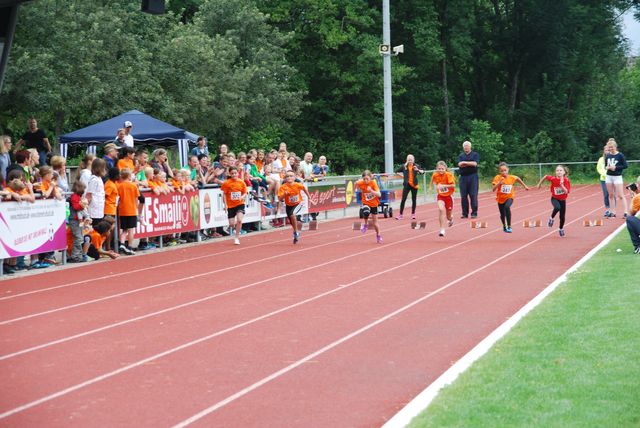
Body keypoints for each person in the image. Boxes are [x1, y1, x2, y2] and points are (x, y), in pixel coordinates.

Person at [491, 162, 529, 233]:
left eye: (505, 170)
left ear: (508, 170)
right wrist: (499, 183)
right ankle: (504, 226)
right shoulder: (497, 178)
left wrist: (525, 186)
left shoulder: (511, 177)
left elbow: (518, 178)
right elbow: (493, 189)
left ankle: (509, 226)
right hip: (500, 198)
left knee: (507, 207)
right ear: (499, 171)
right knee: (502, 214)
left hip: (509, 196)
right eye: (502, 171)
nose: (503, 172)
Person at [537, 165, 571, 237]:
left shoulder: (566, 180)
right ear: (555, 172)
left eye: (560, 170)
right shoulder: (553, 179)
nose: (559, 172)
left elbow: (566, 191)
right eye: (557, 170)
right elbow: (545, 176)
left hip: (563, 200)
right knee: (557, 207)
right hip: (554, 198)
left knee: (562, 217)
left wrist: (562, 185)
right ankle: (551, 218)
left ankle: (561, 229)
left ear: (564, 172)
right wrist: (539, 184)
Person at [278, 170, 311, 244]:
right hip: (288, 205)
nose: (289, 177)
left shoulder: (298, 185)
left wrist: (309, 197)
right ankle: (296, 232)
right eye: (287, 176)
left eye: (291, 176)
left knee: (293, 215)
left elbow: (304, 189)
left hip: (298, 203)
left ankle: (296, 232)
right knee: (291, 221)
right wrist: (284, 195)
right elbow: (280, 199)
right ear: (285, 178)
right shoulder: (283, 187)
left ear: (294, 177)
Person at [116, 168, 142, 255]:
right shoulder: (133, 186)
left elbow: (118, 198)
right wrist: (136, 208)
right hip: (131, 210)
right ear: (129, 176)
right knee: (131, 230)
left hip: (122, 210)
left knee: (124, 230)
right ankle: (130, 247)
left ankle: (122, 244)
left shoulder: (119, 186)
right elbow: (136, 198)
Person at [220, 166, 247, 245]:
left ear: (238, 173)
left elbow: (245, 192)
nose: (234, 175)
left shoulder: (241, 182)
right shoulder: (226, 183)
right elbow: (224, 194)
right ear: (230, 174)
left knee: (239, 220)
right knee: (231, 224)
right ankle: (237, 226)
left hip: (240, 204)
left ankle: (237, 237)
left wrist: (242, 197)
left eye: (235, 173)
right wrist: (225, 205)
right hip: (231, 205)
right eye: (232, 173)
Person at [355, 170, 383, 243]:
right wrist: (356, 189)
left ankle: (378, 235)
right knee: (366, 211)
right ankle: (366, 224)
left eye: (367, 179)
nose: (365, 180)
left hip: (374, 204)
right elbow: (356, 183)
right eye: (364, 179)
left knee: (375, 223)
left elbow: (379, 194)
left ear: (370, 178)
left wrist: (371, 191)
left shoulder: (373, 183)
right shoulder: (361, 182)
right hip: (366, 202)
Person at [604, 138, 629, 218]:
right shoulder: (608, 155)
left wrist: (616, 167)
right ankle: (613, 212)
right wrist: (607, 167)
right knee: (611, 195)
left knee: (620, 195)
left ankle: (625, 212)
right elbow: (605, 165)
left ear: (615, 147)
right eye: (609, 147)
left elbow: (625, 166)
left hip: (617, 177)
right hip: (609, 176)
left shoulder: (620, 155)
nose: (610, 149)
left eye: (612, 147)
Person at [396, 154, 424, 220]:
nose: (410, 161)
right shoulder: (404, 166)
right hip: (407, 185)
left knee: (414, 200)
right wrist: (403, 176)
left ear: (413, 160)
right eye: (408, 160)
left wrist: (418, 170)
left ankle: (413, 214)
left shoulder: (416, 166)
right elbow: (396, 171)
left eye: (411, 160)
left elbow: (423, 172)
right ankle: (400, 214)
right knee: (403, 199)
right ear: (407, 160)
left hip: (414, 185)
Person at [431, 161, 456, 237]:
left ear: (445, 168)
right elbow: (433, 181)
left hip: (449, 197)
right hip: (441, 196)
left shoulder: (448, 175)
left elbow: (453, 185)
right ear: (436, 168)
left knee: (448, 216)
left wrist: (443, 186)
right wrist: (431, 187)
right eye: (439, 169)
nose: (441, 170)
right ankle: (442, 229)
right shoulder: (435, 175)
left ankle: (450, 219)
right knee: (441, 209)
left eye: (442, 169)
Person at [457, 140, 480, 218]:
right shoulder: (461, 155)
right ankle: (464, 213)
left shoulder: (475, 154)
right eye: (464, 146)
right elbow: (460, 164)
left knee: (473, 195)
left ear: (470, 147)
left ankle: (474, 213)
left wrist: (465, 163)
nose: (466, 147)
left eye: (467, 146)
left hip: (472, 177)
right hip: (463, 177)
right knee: (463, 196)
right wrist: (469, 163)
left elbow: (475, 164)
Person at [68, 180, 88, 263]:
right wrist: (83, 205)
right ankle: (75, 256)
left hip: (78, 220)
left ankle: (78, 255)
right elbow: (76, 207)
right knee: (78, 237)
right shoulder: (74, 196)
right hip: (74, 219)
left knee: (80, 237)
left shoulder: (78, 196)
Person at [85, 158, 106, 225]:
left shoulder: (99, 178)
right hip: (94, 210)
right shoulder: (94, 180)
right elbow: (89, 195)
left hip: (99, 209)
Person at [625, 177, 640, 254]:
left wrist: (633, 197)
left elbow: (630, 214)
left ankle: (637, 246)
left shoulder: (638, 197)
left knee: (630, 219)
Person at [596, 145, 611, 217]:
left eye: (608, 150)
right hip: (603, 179)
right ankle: (607, 209)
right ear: (604, 151)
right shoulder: (601, 159)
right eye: (606, 150)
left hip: (612, 178)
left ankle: (613, 210)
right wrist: (604, 174)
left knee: (612, 194)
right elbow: (599, 168)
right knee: (606, 194)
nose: (607, 151)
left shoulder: (612, 158)